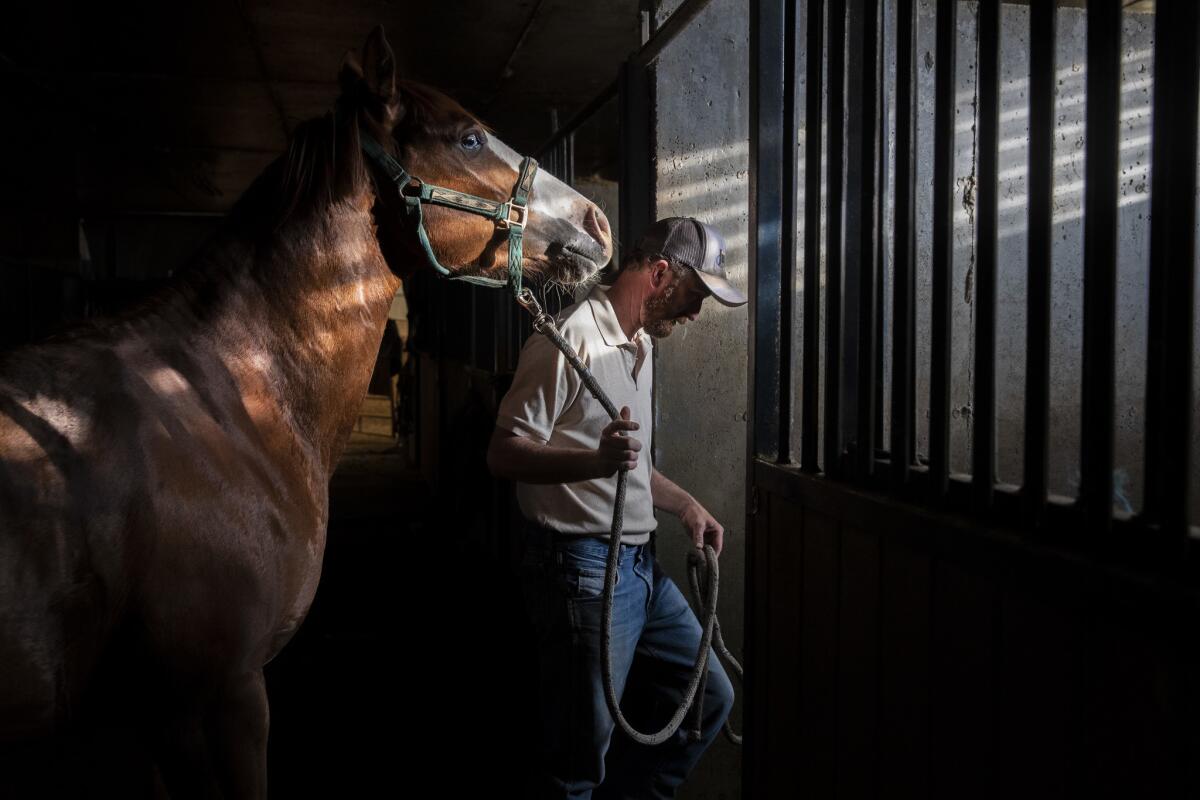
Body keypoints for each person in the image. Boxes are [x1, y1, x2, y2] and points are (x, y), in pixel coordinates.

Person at [487, 217, 748, 799]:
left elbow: (630, 464)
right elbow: (502, 454)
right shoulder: (569, 339)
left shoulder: (639, 344)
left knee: (709, 697)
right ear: (659, 274)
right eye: (694, 295)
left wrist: (686, 506)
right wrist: (592, 463)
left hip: (637, 567)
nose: (695, 313)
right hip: (582, 570)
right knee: (577, 765)